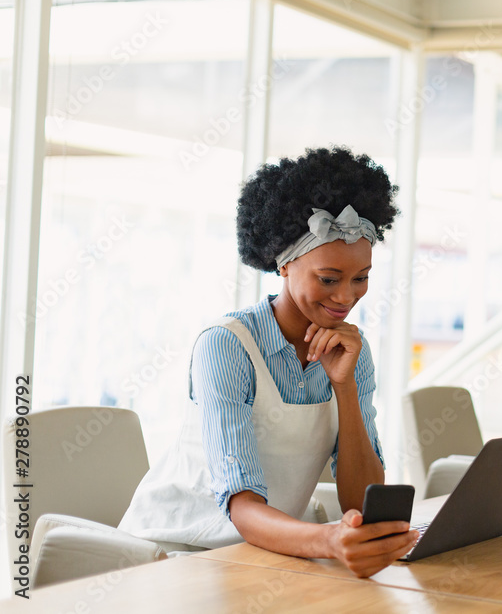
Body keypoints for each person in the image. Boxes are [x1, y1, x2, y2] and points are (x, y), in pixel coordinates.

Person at [119, 146, 418, 577]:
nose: (346, 296)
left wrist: (345, 386)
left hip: (263, 556)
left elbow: (360, 501)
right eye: (328, 278)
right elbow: (241, 506)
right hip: (172, 554)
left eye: (361, 278)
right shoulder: (226, 346)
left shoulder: (353, 351)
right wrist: (327, 541)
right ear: (284, 264)